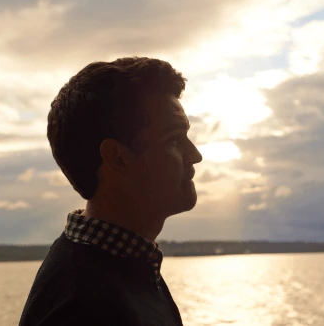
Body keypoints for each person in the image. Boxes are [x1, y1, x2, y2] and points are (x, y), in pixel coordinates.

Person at [19, 57, 203, 326]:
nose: (195, 155)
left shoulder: (128, 263)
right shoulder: (82, 309)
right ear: (117, 157)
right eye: (173, 139)